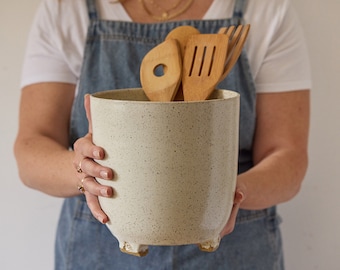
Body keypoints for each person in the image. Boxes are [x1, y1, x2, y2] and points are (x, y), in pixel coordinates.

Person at [14, 0, 311, 269]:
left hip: (235, 248)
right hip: (99, 248)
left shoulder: (266, 11)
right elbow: (31, 148)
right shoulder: (66, 10)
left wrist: (227, 195)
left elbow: (289, 158)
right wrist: (84, 172)